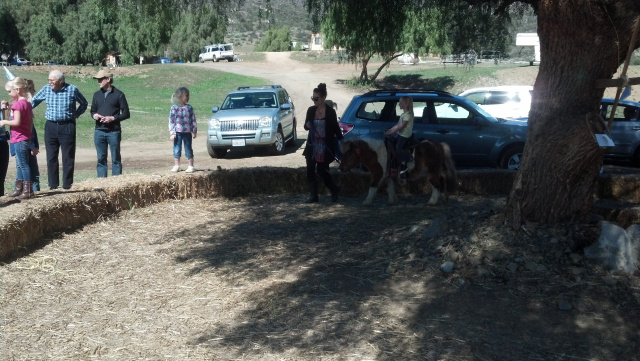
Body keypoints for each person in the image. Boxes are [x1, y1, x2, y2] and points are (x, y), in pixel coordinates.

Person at [31, 70, 88, 190]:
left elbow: (84, 103)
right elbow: (33, 101)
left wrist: (75, 114)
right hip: (50, 126)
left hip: (67, 126)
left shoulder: (72, 89)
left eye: (52, 80)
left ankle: (67, 185)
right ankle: (53, 185)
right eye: (49, 80)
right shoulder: (46, 89)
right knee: (51, 156)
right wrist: (22, 109)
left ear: (61, 81)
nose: (49, 82)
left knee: (68, 156)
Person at [302, 83, 343, 203]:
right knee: (310, 171)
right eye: (313, 98)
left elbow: (335, 128)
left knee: (321, 170)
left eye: (316, 98)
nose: (314, 100)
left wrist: (342, 140)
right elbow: (305, 125)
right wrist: (307, 125)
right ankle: (314, 196)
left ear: (323, 97)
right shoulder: (311, 110)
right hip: (312, 146)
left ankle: (334, 189)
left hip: (325, 146)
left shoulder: (330, 112)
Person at [90, 69, 131, 178]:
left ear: (108, 79)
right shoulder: (96, 95)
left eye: (100, 79)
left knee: (116, 159)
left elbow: (126, 113)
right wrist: (95, 116)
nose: (98, 82)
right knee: (100, 159)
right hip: (99, 131)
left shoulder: (119, 94)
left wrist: (112, 118)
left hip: (114, 132)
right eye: (97, 80)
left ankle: (116, 184)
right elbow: (92, 111)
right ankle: (101, 183)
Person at [0, 77, 34, 199]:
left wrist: (4, 122)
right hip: (24, 137)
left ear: (18, 90)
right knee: (20, 164)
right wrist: (29, 134)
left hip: (19, 138)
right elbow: (30, 122)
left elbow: (17, 122)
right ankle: (19, 188)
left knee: (23, 164)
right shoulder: (27, 103)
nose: (9, 93)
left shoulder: (18, 105)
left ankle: (28, 190)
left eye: (11, 90)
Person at [384, 95, 414, 180]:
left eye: (400, 103)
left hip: (405, 135)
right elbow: (397, 125)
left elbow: (401, 127)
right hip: (400, 134)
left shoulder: (408, 115)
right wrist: (389, 131)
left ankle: (404, 163)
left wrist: (391, 132)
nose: (399, 104)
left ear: (406, 104)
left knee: (398, 147)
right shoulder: (403, 114)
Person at [168, 87, 197, 173]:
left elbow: (193, 119)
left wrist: (194, 130)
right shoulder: (174, 108)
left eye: (188, 96)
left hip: (187, 133)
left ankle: (191, 166)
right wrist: (172, 132)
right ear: (180, 96)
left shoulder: (189, 108)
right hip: (178, 133)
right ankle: (177, 165)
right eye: (186, 95)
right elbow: (171, 120)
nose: (188, 97)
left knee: (188, 148)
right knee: (177, 149)